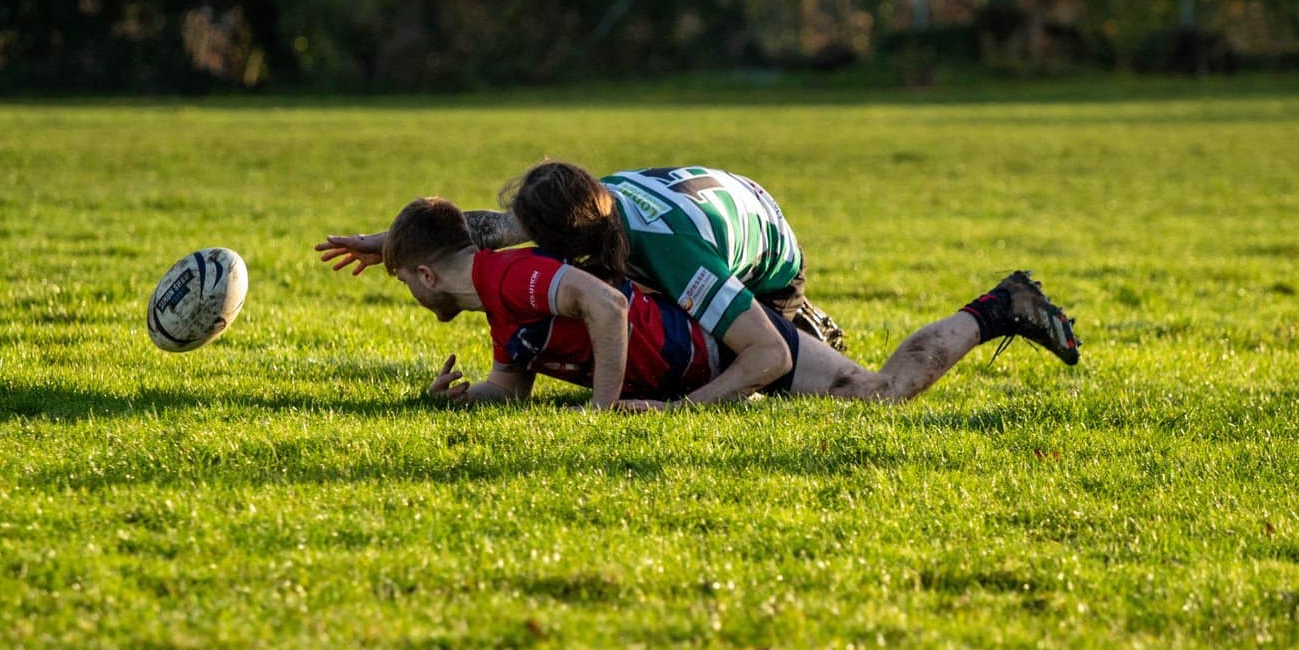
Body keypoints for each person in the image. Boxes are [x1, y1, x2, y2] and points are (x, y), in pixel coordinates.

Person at [375, 197, 1080, 412]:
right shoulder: (512, 282)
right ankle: (795, 330)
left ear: (428, 276)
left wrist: (631, 409)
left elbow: (606, 306)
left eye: (405, 280)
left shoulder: (512, 279)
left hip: (739, 299)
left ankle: (999, 306)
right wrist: (454, 400)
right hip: (701, 271)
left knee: (874, 393)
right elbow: (507, 385)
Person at [319, 161, 859, 405]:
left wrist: (680, 410)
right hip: (706, 209)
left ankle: (805, 325)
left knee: (744, 367)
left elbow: (768, 356)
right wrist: (390, 243)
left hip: (764, 263)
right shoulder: (580, 206)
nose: (526, 250)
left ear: (568, 244)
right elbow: (485, 230)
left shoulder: (672, 256)